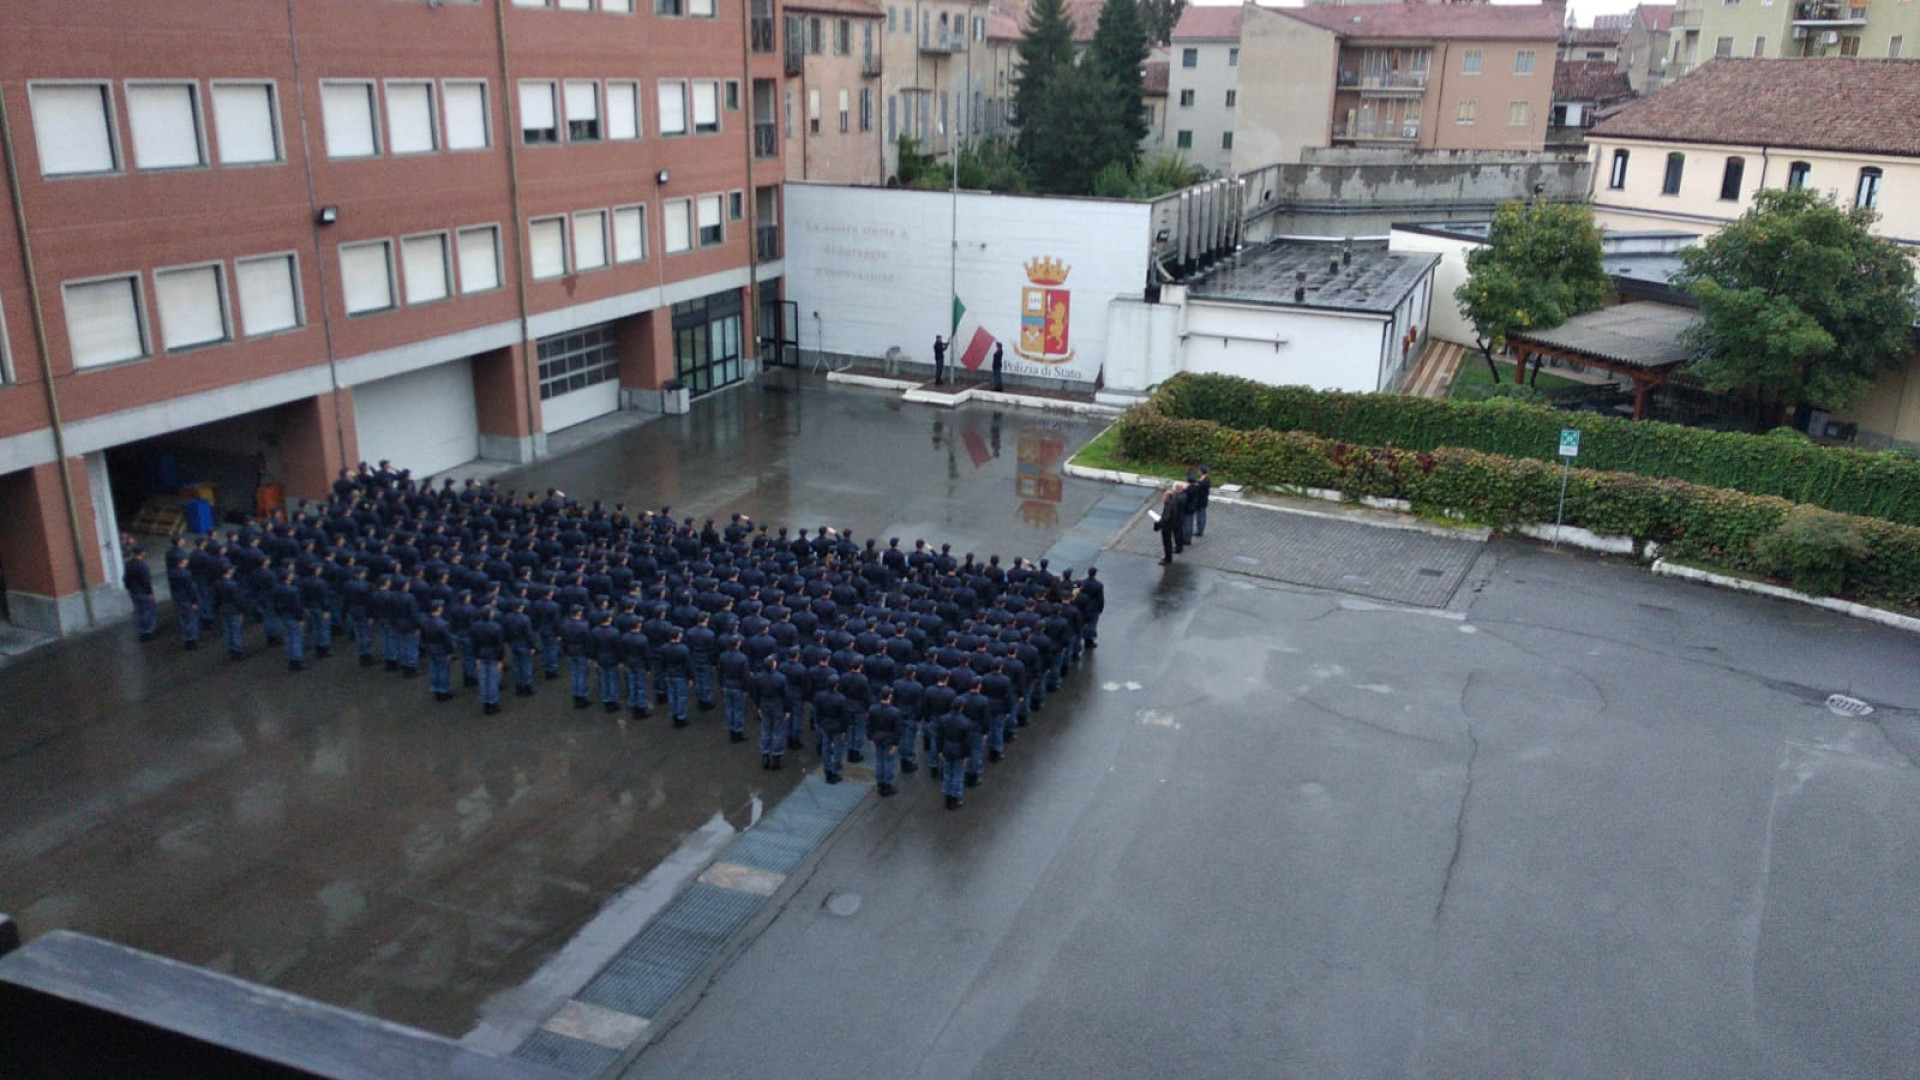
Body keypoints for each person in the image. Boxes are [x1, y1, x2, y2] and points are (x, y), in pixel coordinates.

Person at [752, 654, 788, 769]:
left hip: (764, 704)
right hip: (777, 706)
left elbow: (755, 693)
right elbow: (785, 695)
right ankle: (776, 756)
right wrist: (787, 709)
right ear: (773, 665)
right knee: (777, 731)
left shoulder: (758, 677)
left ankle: (765, 754)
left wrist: (758, 707)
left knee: (765, 730)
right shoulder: (781, 678)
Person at [470, 606, 506, 714]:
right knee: (493, 680)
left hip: (481, 655)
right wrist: (500, 659)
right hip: (493, 656)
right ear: (490, 614)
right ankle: (492, 703)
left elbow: (474, 643)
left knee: (483, 680)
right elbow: (500, 645)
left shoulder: (475, 626)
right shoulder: (496, 627)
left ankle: (485, 702)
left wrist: (476, 657)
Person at [867, 687, 903, 796]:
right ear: (890, 697)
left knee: (879, 761)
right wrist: (896, 744)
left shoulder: (873, 709)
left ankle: (880, 782)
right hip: (889, 740)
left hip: (877, 738)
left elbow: (869, 726)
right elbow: (898, 730)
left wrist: (870, 738)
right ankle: (888, 784)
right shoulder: (895, 712)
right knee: (888, 762)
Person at [717, 637, 750, 743]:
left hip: (727, 684)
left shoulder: (722, 656)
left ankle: (731, 730)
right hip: (737, 686)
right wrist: (745, 688)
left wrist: (721, 684)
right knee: (738, 710)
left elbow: (720, 672)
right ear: (738, 644)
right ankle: (738, 732)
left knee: (729, 708)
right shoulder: (742, 658)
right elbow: (745, 676)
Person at [165, 549, 200, 650]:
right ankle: (192, 640)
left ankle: (187, 639)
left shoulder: (172, 573)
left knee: (183, 619)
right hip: (187, 599)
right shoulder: (185, 574)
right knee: (191, 619)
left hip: (178, 598)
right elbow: (190, 589)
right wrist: (194, 602)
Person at [421, 602, 455, 702]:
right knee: (443, 671)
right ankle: (443, 691)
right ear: (439, 609)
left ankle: (436, 689)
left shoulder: (424, 622)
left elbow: (423, 637)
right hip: (441, 651)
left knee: (434, 670)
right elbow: (447, 640)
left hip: (430, 649)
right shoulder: (443, 624)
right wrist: (450, 651)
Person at [122, 547, 158, 642]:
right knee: (148, 611)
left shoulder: (128, 564)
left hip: (134, 592)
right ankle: (148, 631)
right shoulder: (143, 565)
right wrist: (150, 593)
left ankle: (141, 631)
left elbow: (125, 579)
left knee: (139, 612)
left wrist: (129, 588)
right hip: (143, 592)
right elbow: (146, 581)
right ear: (141, 553)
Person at [1154, 488, 1178, 565]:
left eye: (1164, 495)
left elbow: (1165, 517)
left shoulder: (1168, 505)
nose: (1163, 497)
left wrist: (1158, 524)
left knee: (1167, 543)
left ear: (1168, 497)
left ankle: (1168, 558)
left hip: (1166, 527)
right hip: (1170, 525)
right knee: (1168, 542)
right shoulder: (1173, 503)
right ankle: (1168, 557)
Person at [1191, 465, 1211, 538]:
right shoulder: (1205, 479)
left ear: (1202, 472)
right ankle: (1200, 529)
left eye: (1199, 470)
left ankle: (1200, 530)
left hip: (1201, 501)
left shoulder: (1204, 481)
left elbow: (1199, 489)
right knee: (1201, 515)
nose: (1198, 471)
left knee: (1201, 515)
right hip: (1201, 500)